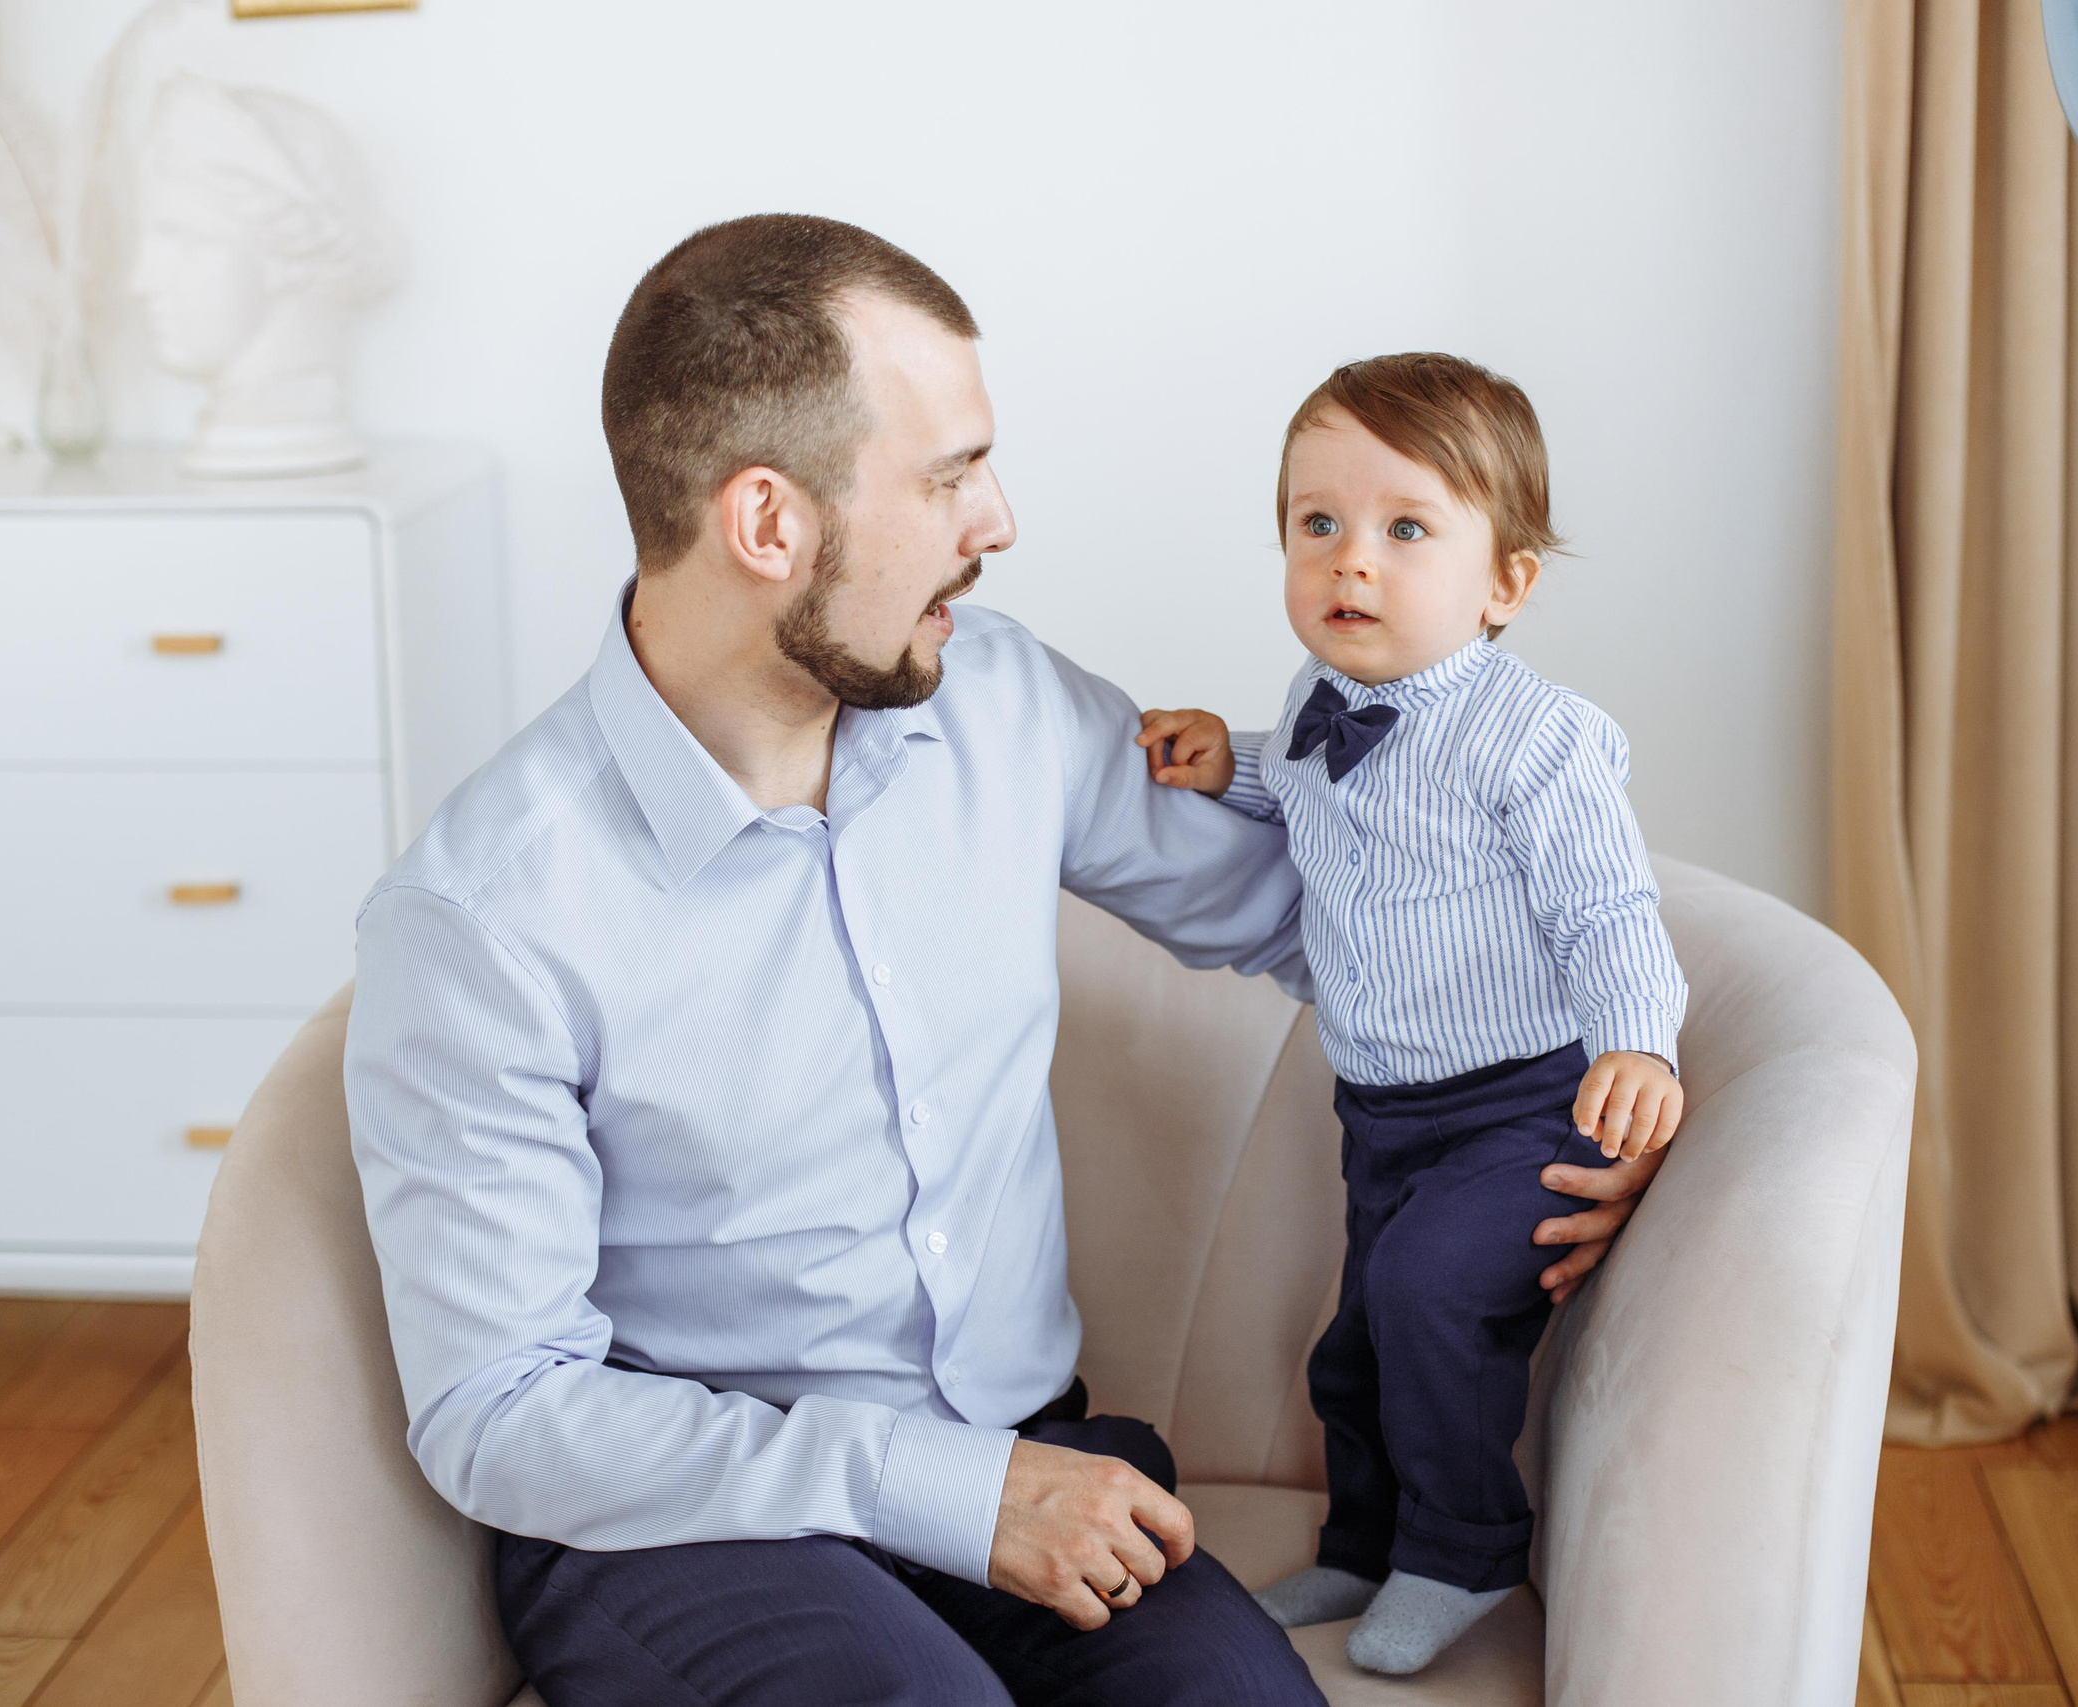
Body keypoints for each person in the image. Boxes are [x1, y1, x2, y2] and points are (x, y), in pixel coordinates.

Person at [343, 218, 1663, 1706]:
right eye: (949, 474)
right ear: (768, 523)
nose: (1000, 520)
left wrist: (1556, 1115)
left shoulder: (1000, 704)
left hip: (1035, 1458)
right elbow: (498, 1411)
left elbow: (1352, 920)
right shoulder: (480, 917)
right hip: (695, 1523)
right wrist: (947, 1492)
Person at [1138, 353, 1687, 1677]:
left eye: (1405, 530)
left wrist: (1638, 1041)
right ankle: (1365, 1539)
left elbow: (1609, 907)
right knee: (1357, 1340)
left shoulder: (1533, 739)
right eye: (1318, 523)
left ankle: (1466, 1551)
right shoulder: (1315, 703)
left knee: (1430, 1296)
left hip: (1523, 1101)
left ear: (1505, 584)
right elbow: (1311, 791)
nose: (1351, 560)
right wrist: (1230, 765)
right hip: (1381, 1107)